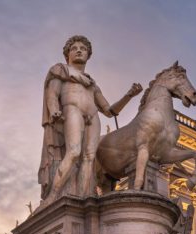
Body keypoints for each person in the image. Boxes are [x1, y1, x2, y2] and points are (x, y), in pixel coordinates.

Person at [40, 35, 143, 201]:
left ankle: (82, 197)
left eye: (83, 49)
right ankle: (53, 196)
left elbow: (109, 111)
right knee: (74, 152)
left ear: (88, 55)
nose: (79, 50)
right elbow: (52, 94)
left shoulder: (92, 84)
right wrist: (53, 110)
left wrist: (128, 96)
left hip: (93, 116)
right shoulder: (61, 70)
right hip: (72, 109)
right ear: (68, 55)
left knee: (89, 158)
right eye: (74, 48)